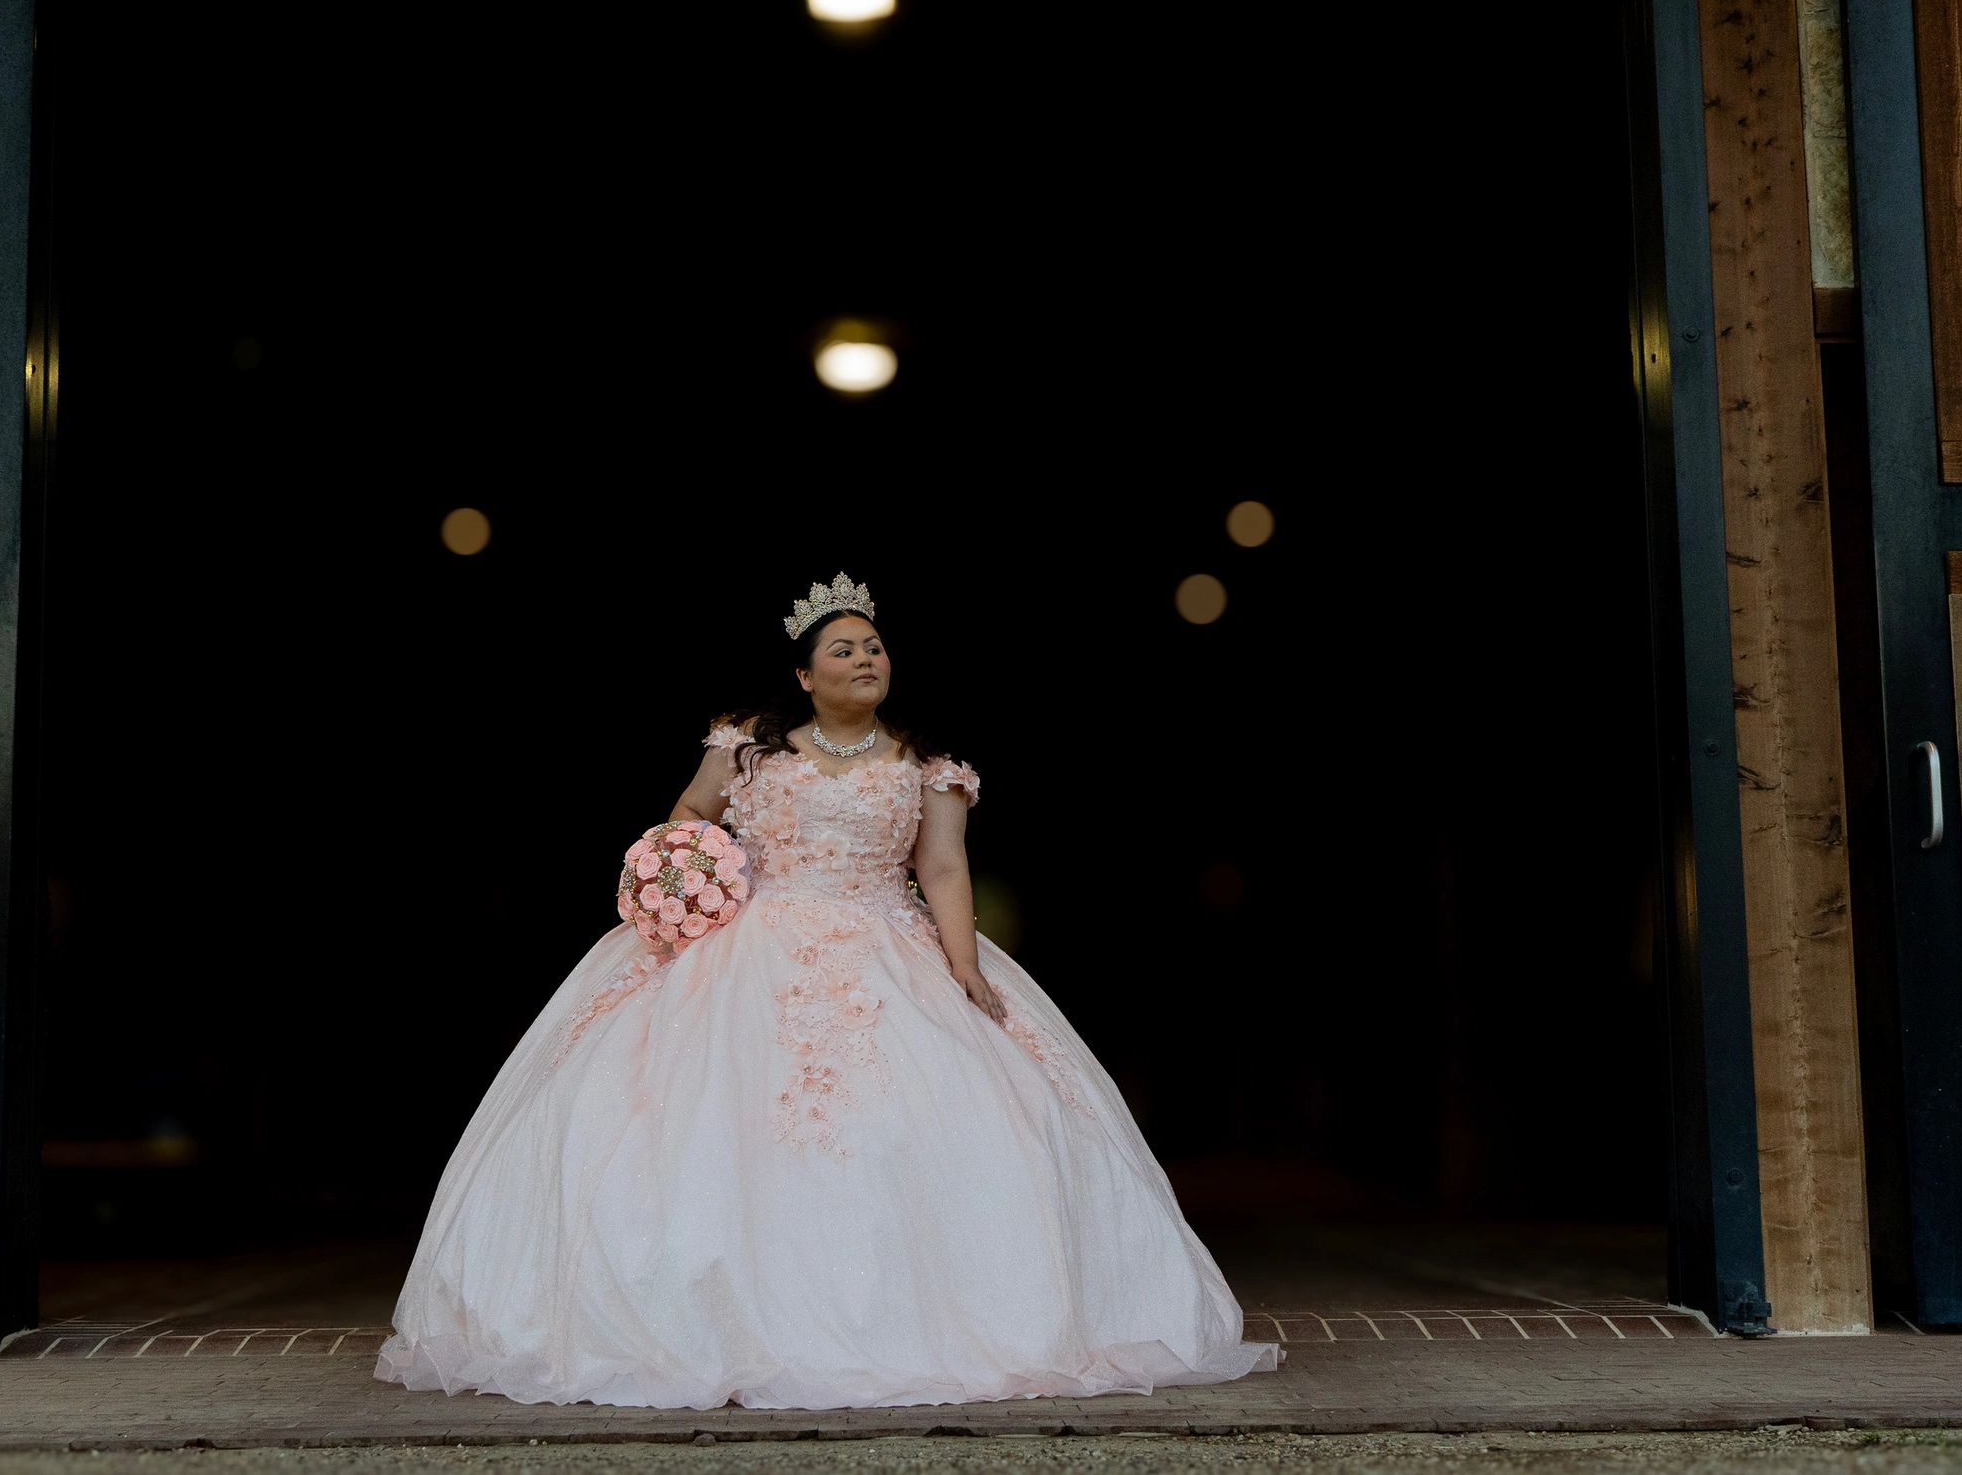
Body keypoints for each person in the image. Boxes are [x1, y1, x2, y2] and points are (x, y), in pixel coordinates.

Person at [373, 573, 1283, 1408]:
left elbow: (943, 869)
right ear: (806, 675)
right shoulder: (747, 748)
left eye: (874, 646)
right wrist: (694, 875)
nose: (865, 658)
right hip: (745, 945)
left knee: (927, 1120)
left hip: (887, 941)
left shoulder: (928, 766)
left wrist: (963, 964)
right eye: (844, 649)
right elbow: (689, 813)